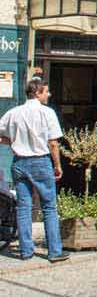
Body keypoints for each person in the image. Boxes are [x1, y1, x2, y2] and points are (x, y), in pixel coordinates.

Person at [0, 78, 69, 262]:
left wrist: (13, 141)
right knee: (49, 207)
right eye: (46, 92)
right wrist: (57, 166)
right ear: (37, 93)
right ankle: (54, 251)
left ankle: (25, 251)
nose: (49, 94)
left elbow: (1, 136)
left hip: (19, 162)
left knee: (23, 207)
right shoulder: (47, 113)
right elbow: (53, 143)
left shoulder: (13, 113)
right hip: (40, 162)